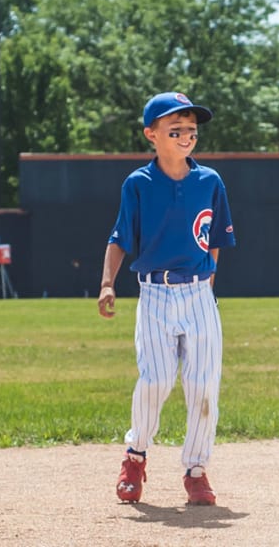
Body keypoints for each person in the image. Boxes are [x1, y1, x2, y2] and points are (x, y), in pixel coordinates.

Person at [97, 92, 235, 506]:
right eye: (175, 130)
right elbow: (120, 237)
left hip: (198, 295)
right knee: (155, 380)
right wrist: (107, 283)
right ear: (151, 135)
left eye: (191, 130)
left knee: (203, 385)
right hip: (154, 293)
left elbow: (215, 239)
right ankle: (135, 454)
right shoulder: (139, 184)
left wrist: (208, 281)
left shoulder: (209, 181)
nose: (186, 137)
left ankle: (196, 470)